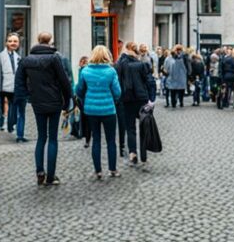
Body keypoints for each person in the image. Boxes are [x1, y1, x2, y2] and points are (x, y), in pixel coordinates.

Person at [15, 32, 72, 186]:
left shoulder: (26, 60)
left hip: (37, 101)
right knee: (52, 138)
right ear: (50, 42)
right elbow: (64, 81)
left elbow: (19, 82)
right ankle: (51, 176)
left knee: (41, 137)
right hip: (54, 101)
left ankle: (40, 171)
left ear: (38, 41)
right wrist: (68, 101)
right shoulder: (54, 58)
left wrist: (28, 96)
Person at [77, 45, 123, 179]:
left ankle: (98, 171)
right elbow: (117, 92)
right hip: (108, 109)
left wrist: (87, 98)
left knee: (96, 139)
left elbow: (79, 90)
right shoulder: (111, 71)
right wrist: (112, 99)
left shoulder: (85, 71)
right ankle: (113, 169)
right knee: (110, 140)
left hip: (91, 110)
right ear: (106, 55)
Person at [117, 42, 151, 166]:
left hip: (127, 99)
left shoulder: (121, 64)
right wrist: (151, 99)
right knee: (143, 127)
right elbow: (149, 81)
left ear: (126, 50)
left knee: (130, 128)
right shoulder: (142, 65)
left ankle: (132, 153)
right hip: (142, 99)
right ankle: (144, 155)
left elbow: (118, 79)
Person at [0, 33, 21, 133]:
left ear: (18, 43)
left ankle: (10, 126)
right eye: (10, 41)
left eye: (15, 41)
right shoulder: (1, 56)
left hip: (14, 87)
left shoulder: (18, 56)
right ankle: (1, 124)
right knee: (2, 107)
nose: (12, 43)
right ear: (6, 43)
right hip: (4, 87)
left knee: (13, 107)